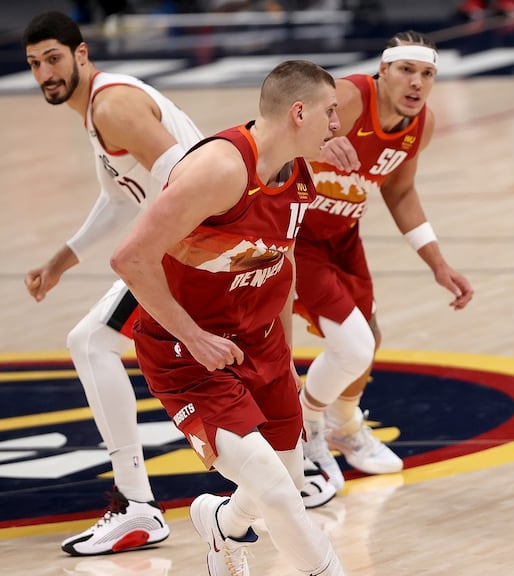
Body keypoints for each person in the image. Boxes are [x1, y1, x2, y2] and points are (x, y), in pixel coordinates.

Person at [110, 59, 345, 576]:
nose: (337, 125)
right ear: (299, 112)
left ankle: (221, 522)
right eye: (331, 113)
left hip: (260, 343)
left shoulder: (301, 176)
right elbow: (129, 259)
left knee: (282, 478)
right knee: (280, 493)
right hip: (189, 352)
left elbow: (278, 265)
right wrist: (193, 337)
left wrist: (283, 360)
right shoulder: (220, 169)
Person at [22, 10, 205, 556]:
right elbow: (120, 194)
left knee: (90, 341)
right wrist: (62, 260)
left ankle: (139, 507)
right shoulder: (97, 111)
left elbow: (189, 176)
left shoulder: (113, 105)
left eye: (53, 58)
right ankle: (299, 457)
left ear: (81, 54)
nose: (45, 73)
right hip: (190, 243)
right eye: (34, 64)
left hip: (198, 244)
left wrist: (165, 253)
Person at [294, 30, 474, 489]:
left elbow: (400, 190)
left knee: (368, 338)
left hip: (341, 235)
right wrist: (314, 146)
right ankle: (304, 425)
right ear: (383, 71)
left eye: (427, 74)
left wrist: (437, 262)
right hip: (293, 234)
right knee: (352, 345)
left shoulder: (421, 124)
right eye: (407, 71)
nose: (417, 83)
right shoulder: (350, 98)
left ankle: (342, 424)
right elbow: (274, 132)